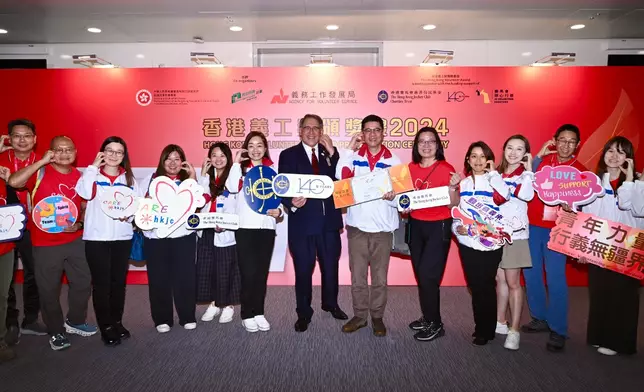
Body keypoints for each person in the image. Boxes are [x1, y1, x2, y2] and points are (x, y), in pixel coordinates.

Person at [8, 136, 96, 351]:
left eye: (69, 150)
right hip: (45, 243)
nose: (64, 153)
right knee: (49, 289)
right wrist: (41, 162)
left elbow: (85, 205)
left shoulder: (79, 176)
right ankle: (56, 331)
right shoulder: (39, 172)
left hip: (74, 240)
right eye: (59, 150)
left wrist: (80, 223)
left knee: (83, 283)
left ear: (75, 152)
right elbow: (13, 182)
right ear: (51, 152)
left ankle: (75, 321)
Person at [278, 114, 346, 333]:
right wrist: (292, 202)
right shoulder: (288, 155)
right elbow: (282, 186)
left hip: (329, 223)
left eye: (316, 128)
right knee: (304, 270)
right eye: (306, 127)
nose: (311, 132)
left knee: (330, 267)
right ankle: (304, 312)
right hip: (302, 224)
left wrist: (334, 154)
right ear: (299, 130)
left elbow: (340, 180)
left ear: (322, 131)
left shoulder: (331, 154)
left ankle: (331, 304)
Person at [523, 124, 587, 352]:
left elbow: (585, 207)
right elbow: (524, 175)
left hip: (558, 230)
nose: (566, 145)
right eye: (562, 140)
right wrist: (540, 152)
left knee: (556, 278)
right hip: (532, 226)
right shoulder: (543, 163)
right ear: (555, 140)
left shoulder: (580, 171)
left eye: (571, 141)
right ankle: (539, 317)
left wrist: (573, 207)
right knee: (530, 274)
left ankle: (558, 329)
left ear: (577, 145)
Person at [336, 114, 400, 337]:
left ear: (383, 133)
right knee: (358, 277)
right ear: (362, 134)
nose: (372, 134)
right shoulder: (353, 158)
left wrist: (393, 196)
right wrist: (349, 150)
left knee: (380, 279)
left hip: (383, 230)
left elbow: (401, 199)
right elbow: (341, 181)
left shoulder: (395, 160)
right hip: (357, 228)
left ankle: (377, 317)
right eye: (368, 131)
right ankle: (360, 316)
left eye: (376, 130)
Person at [580, 136, 642, 356]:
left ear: (629, 158)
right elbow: (586, 214)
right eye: (610, 151)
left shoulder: (639, 183)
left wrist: (629, 180)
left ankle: (619, 342)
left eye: (621, 152)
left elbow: (635, 209)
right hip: (599, 243)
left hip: (628, 245)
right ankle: (598, 335)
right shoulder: (594, 182)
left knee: (623, 294)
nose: (614, 156)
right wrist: (583, 248)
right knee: (599, 291)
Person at [75, 137, 138, 346]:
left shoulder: (129, 179)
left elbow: (136, 208)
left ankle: (117, 321)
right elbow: (82, 193)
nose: (113, 155)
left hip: (122, 238)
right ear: (102, 153)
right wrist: (92, 167)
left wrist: (127, 217)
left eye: (119, 152)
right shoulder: (91, 176)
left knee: (118, 283)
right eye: (109, 151)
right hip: (97, 239)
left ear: (124, 156)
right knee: (102, 285)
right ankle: (106, 326)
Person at [453, 141, 511, 346]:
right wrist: (458, 228)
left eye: (482, 156)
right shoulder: (463, 184)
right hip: (468, 241)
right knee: (475, 285)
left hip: (491, 242)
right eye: (473, 156)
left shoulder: (495, 181)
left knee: (486, 284)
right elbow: (458, 213)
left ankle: (486, 329)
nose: (478, 160)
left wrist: (494, 174)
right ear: (468, 160)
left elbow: (505, 196)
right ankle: (481, 327)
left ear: (489, 160)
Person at [406, 127, 460, 342]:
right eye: (422, 141)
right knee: (422, 275)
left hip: (439, 226)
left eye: (431, 141)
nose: (426, 145)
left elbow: (454, 203)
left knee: (429, 275)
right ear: (416, 145)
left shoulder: (447, 169)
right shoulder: (409, 169)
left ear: (438, 145)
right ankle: (428, 317)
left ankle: (436, 323)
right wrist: (403, 205)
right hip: (416, 226)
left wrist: (454, 188)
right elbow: (405, 202)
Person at [226, 131, 283, 333]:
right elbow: (231, 187)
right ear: (245, 148)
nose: (255, 149)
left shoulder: (272, 171)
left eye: (259, 145)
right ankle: (246, 314)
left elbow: (279, 200)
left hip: (267, 228)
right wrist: (234, 162)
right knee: (248, 273)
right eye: (251, 145)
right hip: (245, 229)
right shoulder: (240, 171)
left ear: (265, 148)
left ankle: (259, 312)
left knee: (260, 274)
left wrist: (279, 212)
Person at [140, 144, 200, 333]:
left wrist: (192, 180)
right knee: (159, 278)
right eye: (169, 158)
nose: (173, 163)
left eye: (177, 159)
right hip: (156, 238)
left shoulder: (189, 182)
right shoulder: (150, 180)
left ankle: (187, 316)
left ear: (183, 162)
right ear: (162, 160)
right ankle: (162, 318)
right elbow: (139, 207)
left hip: (184, 236)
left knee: (186, 278)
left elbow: (199, 205)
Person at [0, 119, 47, 344]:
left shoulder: (42, 162)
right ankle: (10, 321)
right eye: (16, 136)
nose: (21, 140)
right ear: (9, 138)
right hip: (3, 227)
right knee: (5, 277)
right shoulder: (0, 158)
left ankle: (30, 318)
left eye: (27, 135)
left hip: (31, 226)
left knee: (33, 272)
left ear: (34, 139)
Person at [493, 135, 535, 350]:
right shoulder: (497, 174)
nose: (513, 153)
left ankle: (515, 330)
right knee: (500, 280)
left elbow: (527, 196)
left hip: (515, 235)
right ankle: (500, 322)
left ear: (526, 153)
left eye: (519, 149)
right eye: (510, 147)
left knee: (513, 282)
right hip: (494, 234)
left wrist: (528, 172)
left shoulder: (525, 177)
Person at [197, 142, 241, 324]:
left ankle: (228, 305)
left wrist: (225, 223)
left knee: (227, 269)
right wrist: (201, 177)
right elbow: (199, 202)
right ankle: (215, 303)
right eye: (214, 155)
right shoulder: (206, 178)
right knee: (208, 270)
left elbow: (237, 203)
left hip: (226, 231)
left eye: (222, 155)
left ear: (228, 158)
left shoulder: (234, 177)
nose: (218, 159)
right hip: (207, 230)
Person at [0, 166, 20, 362]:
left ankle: (0, 340)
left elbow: (14, 210)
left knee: (2, 296)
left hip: (5, 248)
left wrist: (9, 183)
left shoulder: (4, 179)